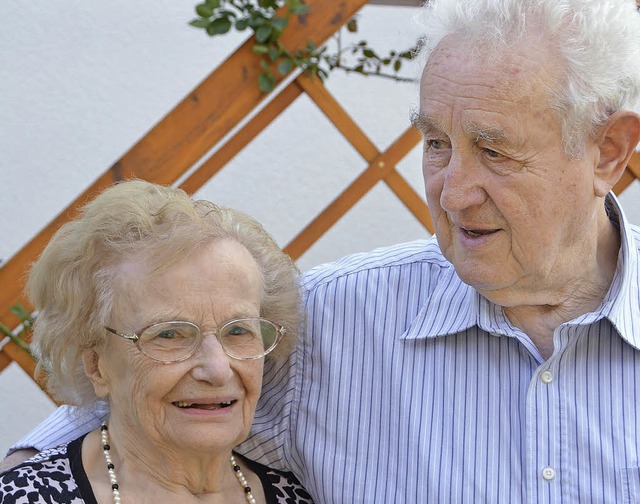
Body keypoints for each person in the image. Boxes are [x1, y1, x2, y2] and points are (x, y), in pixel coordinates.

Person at [4, 0, 640, 501]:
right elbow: (104, 423)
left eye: (494, 151)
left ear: (608, 151)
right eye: (436, 143)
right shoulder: (328, 319)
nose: (452, 193)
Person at [0, 180, 314, 503]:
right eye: (169, 334)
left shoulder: (298, 496)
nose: (218, 370)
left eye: (238, 331)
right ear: (97, 366)